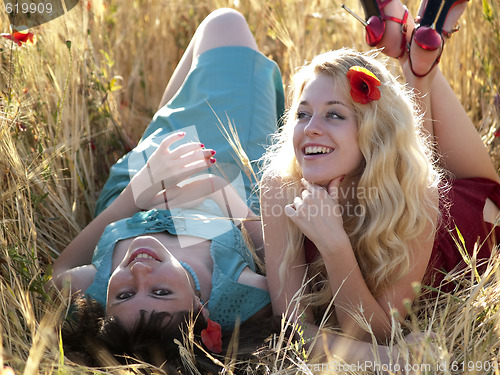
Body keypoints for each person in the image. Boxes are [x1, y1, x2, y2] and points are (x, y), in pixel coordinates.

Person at [260, 0, 499, 355]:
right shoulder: (280, 187)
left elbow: (377, 330)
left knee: (426, 172)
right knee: (409, 156)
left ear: (372, 132)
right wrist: (387, 361)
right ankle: (418, 63)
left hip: (479, 215)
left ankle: (419, 70)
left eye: (335, 116)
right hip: (395, 172)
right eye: (302, 113)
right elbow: (292, 330)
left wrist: (335, 245)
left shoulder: (417, 193)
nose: (311, 129)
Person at [48, 8, 284, 368]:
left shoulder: (94, 288)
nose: (139, 272)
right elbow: (292, 277)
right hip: (223, 172)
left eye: (124, 293)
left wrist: (141, 188)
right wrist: (222, 193)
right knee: (224, 23)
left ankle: (164, 126)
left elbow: (59, 272)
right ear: (202, 310)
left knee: (170, 126)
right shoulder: (236, 290)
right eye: (161, 291)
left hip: (132, 195)